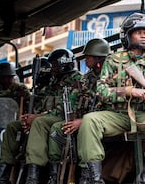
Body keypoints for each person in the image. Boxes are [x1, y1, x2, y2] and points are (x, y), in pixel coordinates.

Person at [77, 12, 145, 184]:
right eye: (139, 32)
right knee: (89, 121)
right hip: (118, 115)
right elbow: (101, 90)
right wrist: (128, 91)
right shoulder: (113, 60)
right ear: (128, 35)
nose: (143, 36)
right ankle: (95, 179)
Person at [48, 38, 110, 184]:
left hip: (100, 119)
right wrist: (73, 118)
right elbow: (79, 99)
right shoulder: (87, 78)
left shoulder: (109, 74)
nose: (85, 60)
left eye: (88, 56)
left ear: (98, 57)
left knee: (85, 128)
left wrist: (81, 121)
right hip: (84, 117)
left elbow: (109, 105)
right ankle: (53, 174)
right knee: (57, 129)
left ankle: (86, 175)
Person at [23, 48, 82, 184]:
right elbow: (43, 103)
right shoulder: (54, 81)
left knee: (39, 123)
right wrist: (30, 117)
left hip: (66, 118)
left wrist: (37, 118)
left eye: (55, 65)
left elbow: (65, 108)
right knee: (16, 125)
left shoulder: (76, 79)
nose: (52, 69)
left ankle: (33, 178)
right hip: (50, 117)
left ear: (64, 63)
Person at [0, 61, 44, 184]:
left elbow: (28, 107)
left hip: (23, 120)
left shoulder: (20, 89)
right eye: (0, 78)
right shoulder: (1, 94)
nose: (1, 81)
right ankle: (2, 177)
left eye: (4, 78)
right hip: (4, 124)